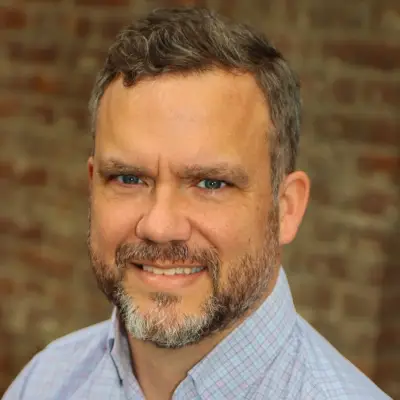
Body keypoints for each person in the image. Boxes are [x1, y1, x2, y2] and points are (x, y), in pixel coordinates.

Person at [3, 7, 390, 400]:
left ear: (286, 208)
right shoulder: (43, 383)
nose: (160, 227)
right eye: (129, 178)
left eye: (210, 183)